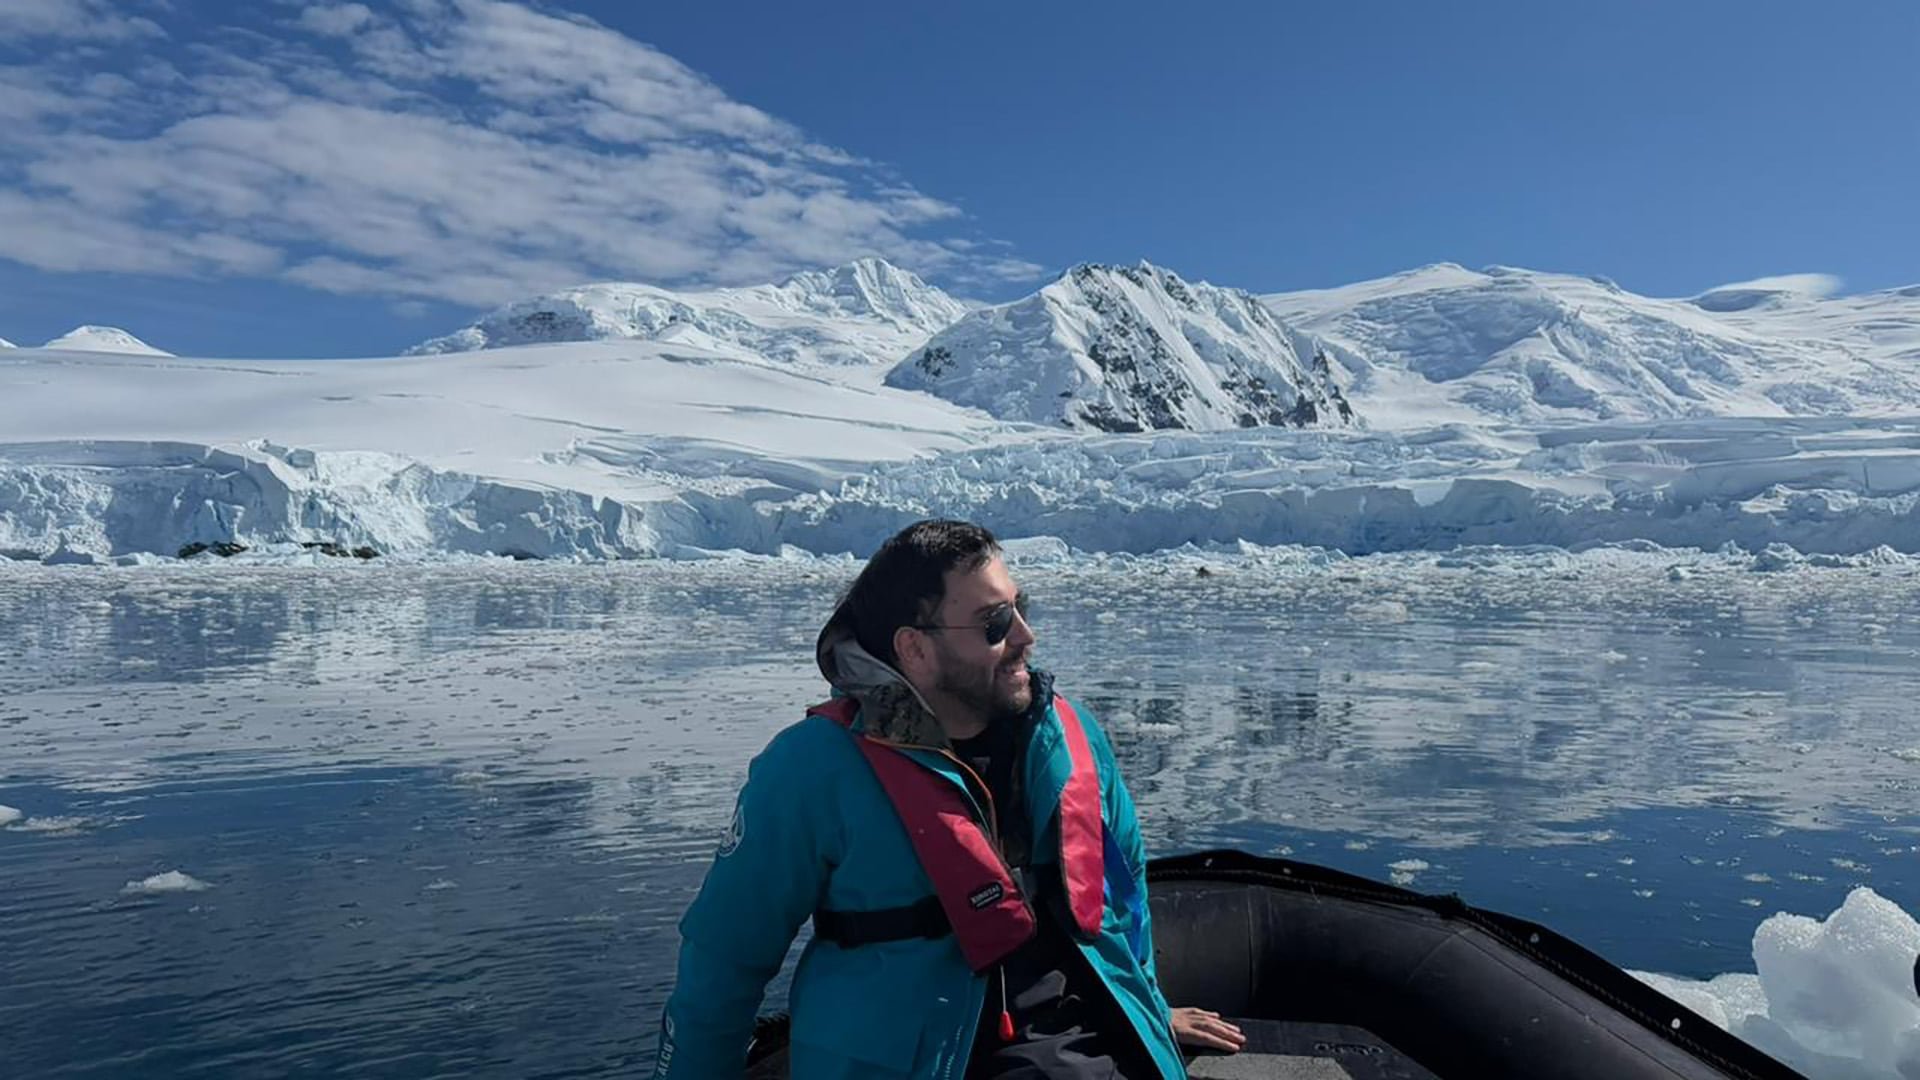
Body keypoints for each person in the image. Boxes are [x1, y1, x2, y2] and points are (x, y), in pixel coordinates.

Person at [653, 519, 1244, 1078]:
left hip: (1072, 1040)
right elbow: (723, 961)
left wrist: (1146, 1005)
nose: (1025, 637)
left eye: (1020, 609)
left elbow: (1124, 887)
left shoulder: (1070, 735)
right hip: (911, 1055)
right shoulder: (812, 768)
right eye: (994, 624)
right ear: (914, 649)